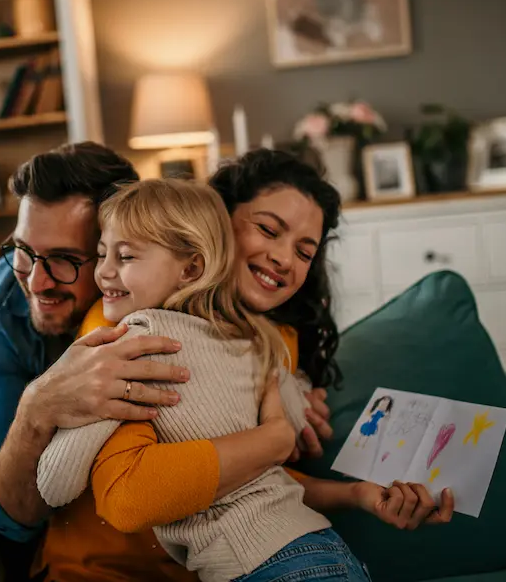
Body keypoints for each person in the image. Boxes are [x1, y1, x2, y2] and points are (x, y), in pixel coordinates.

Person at [0, 142, 336, 582]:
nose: (37, 280)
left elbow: (259, 484)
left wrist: (293, 401)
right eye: (24, 251)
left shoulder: (260, 333)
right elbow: (17, 515)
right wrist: (39, 406)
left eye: (68, 260)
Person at [37, 178, 371, 581]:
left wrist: (63, 402)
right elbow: (291, 428)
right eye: (103, 253)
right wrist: (297, 396)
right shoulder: (256, 339)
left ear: (192, 267)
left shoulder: (133, 340)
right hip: (323, 551)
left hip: (269, 567)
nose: (104, 272)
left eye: (125, 257)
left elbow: (53, 486)